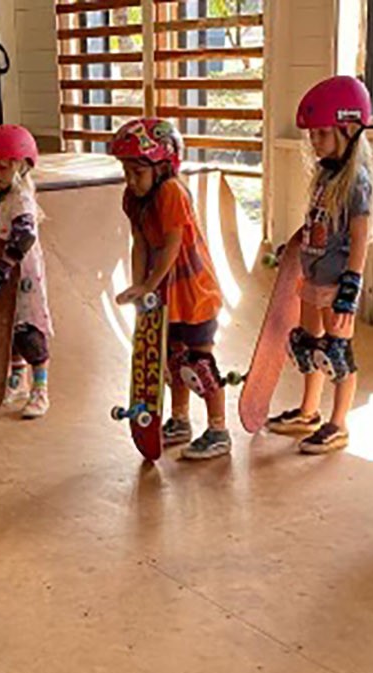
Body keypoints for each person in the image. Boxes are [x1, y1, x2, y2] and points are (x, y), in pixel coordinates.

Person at [266, 75, 373, 454]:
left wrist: (351, 287)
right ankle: (309, 411)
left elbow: (361, 236)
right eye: (312, 135)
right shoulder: (324, 174)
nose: (314, 142)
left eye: (321, 134)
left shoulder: (356, 181)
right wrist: (294, 245)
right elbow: (317, 221)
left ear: (348, 128)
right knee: (309, 346)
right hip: (312, 276)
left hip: (336, 284)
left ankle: (339, 423)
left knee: (337, 354)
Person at [108, 118, 232, 460]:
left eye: (138, 172)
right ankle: (180, 421)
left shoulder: (171, 192)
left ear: (162, 166)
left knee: (198, 364)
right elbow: (141, 244)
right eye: (126, 172)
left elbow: (171, 246)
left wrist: (149, 284)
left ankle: (219, 429)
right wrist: (138, 288)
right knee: (174, 361)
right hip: (164, 294)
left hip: (194, 293)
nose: (131, 181)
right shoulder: (134, 199)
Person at [0, 124, 53, 419]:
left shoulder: (21, 199)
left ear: (21, 166)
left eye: (3, 168)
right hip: (0, 276)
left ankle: (40, 390)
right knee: (6, 330)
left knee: (28, 332)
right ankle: (17, 381)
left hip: (23, 278)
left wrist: (5, 265)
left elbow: (24, 237)